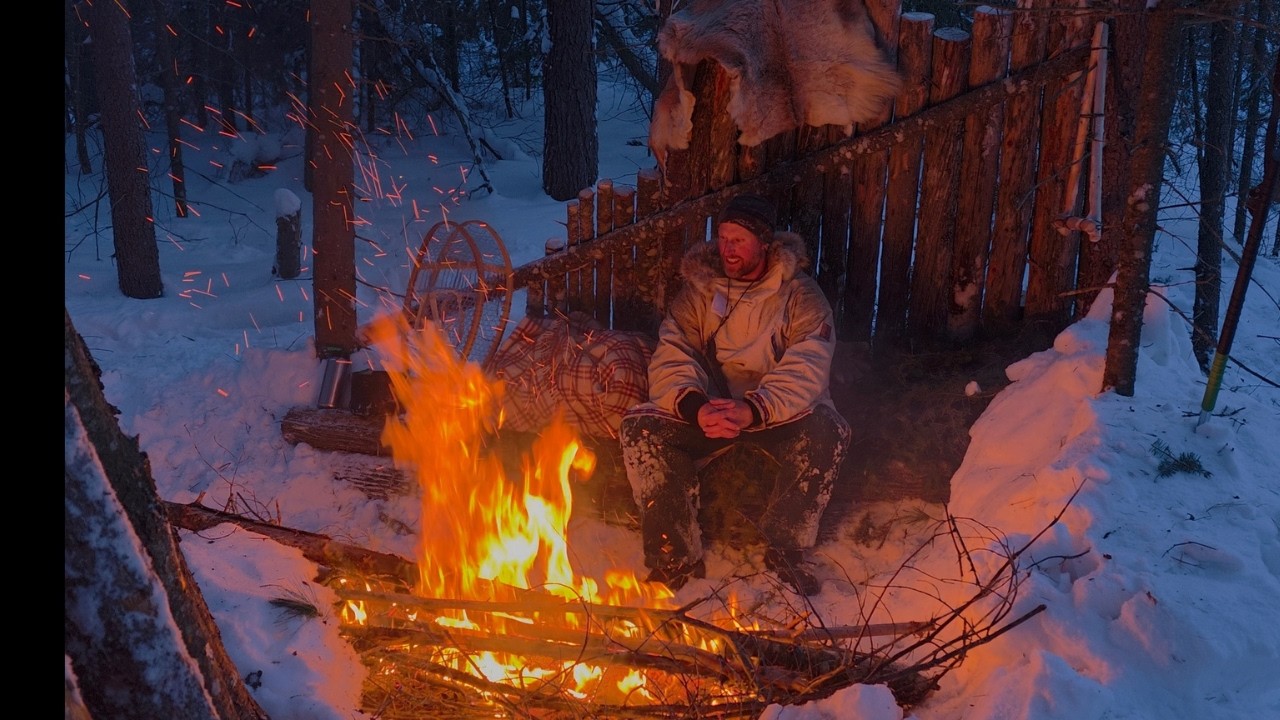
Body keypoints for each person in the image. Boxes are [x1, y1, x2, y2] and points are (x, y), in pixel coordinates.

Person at [618, 193, 851, 596]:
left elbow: (808, 366)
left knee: (828, 430)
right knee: (641, 428)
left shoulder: (799, 296)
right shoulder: (699, 294)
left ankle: (785, 548)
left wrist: (754, 409)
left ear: (764, 244)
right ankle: (674, 556)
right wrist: (695, 407)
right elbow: (673, 354)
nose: (727, 248)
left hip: (777, 414)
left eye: (738, 240)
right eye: (723, 237)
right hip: (714, 410)